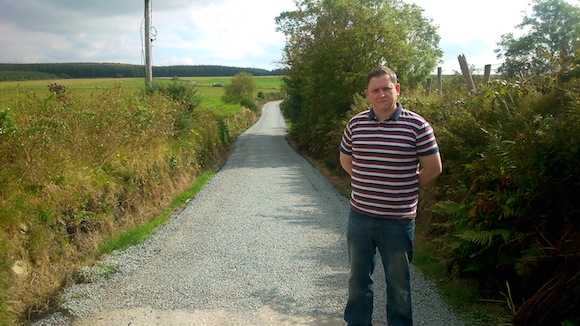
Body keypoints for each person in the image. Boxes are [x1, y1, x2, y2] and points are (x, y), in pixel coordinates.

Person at [339, 66, 442, 326]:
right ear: (367, 95)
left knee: (399, 286)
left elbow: (433, 168)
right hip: (359, 218)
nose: (381, 94)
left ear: (397, 89)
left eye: (386, 88)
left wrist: (404, 187)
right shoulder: (355, 124)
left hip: (398, 221)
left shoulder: (417, 126)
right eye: (375, 90)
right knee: (358, 281)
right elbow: (346, 160)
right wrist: (367, 182)